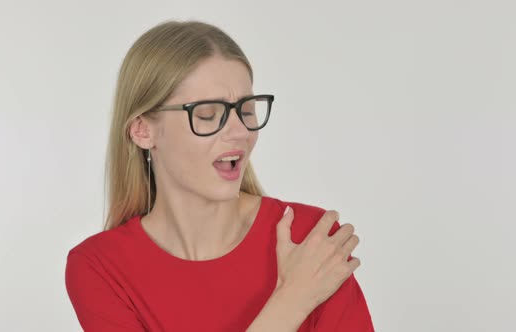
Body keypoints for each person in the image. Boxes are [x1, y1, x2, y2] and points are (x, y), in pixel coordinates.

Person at [65, 19, 374, 332]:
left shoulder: (311, 238)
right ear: (143, 130)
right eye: (208, 114)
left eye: (246, 109)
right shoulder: (100, 267)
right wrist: (293, 299)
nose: (239, 132)